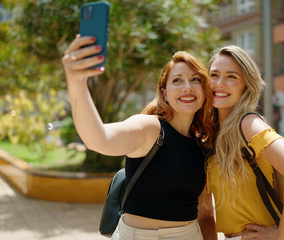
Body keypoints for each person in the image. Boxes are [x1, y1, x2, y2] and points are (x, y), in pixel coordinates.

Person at [61, 35, 217, 240]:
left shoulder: (201, 143)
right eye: (177, 80)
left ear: (204, 91)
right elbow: (98, 139)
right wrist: (77, 82)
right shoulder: (150, 127)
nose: (187, 86)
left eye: (195, 79)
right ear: (164, 93)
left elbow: (205, 215)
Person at [205, 46, 284, 240]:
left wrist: (282, 236)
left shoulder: (248, 124)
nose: (220, 84)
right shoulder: (213, 134)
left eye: (231, 76)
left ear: (246, 85)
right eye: (214, 75)